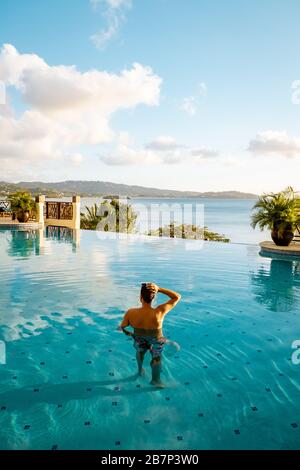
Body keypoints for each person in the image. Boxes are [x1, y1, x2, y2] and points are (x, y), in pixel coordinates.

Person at [119, 283, 181, 388]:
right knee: (157, 358)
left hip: (139, 338)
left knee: (140, 352)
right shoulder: (159, 311)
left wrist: (130, 333)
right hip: (156, 339)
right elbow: (177, 297)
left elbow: (123, 327)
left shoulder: (131, 312)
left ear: (140, 297)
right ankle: (155, 380)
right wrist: (159, 289)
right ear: (154, 297)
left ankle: (140, 371)